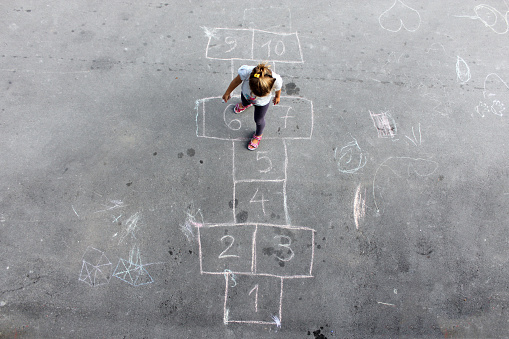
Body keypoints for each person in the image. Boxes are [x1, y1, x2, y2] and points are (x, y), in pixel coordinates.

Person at [222, 63, 282, 150]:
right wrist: (227, 92)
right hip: (246, 96)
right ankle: (245, 105)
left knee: (259, 120)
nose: (256, 95)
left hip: (262, 103)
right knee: (245, 101)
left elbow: (278, 88)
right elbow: (236, 81)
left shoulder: (275, 79)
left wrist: (277, 96)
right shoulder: (246, 72)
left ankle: (258, 135)